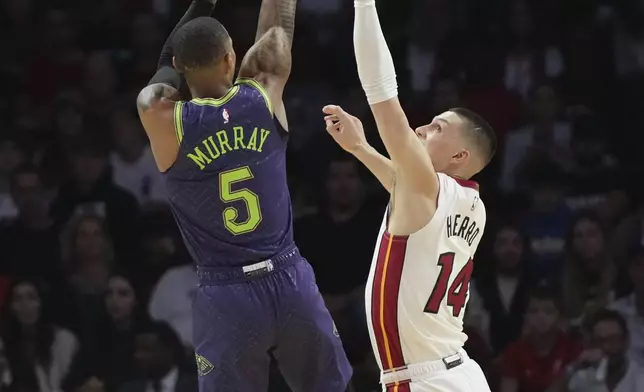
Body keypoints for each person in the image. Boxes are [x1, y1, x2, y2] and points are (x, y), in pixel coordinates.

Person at [135, 0, 352, 391]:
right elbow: (278, 29)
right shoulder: (264, 91)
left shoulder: (164, 117)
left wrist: (203, 4)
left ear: (183, 68)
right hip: (288, 277)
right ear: (231, 56)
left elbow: (165, 60)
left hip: (225, 293)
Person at [322, 1, 496, 390]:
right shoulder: (472, 205)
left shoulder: (427, 189)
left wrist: (364, 4)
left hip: (425, 380)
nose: (420, 128)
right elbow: (406, 193)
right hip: (455, 373)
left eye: (436, 128)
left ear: (458, 156)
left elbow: (383, 101)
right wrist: (361, 150)